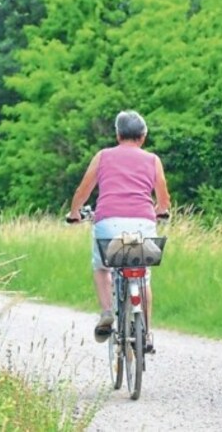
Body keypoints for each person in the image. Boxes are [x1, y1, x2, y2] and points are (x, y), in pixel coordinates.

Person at [67, 110, 171, 351]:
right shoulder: (153, 160)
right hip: (142, 225)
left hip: (108, 224)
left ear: (117, 134)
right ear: (143, 136)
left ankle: (106, 312)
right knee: (143, 277)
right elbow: (164, 198)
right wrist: (161, 210)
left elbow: (83, 191)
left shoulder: (103, 156)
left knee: (102, 266)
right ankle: (145, 333)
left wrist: (74, 213)